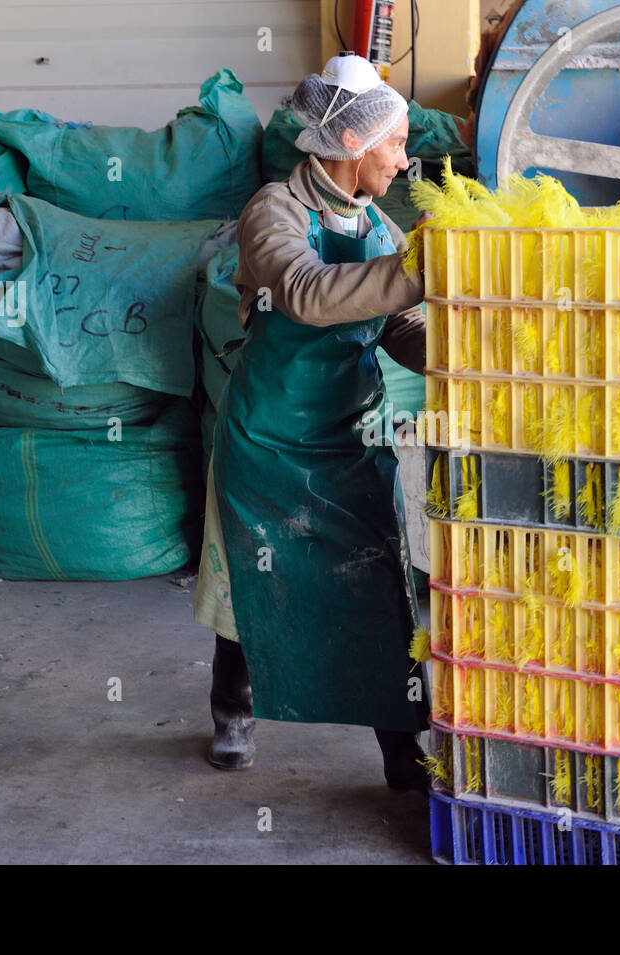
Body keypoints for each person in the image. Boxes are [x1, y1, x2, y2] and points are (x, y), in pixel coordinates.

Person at [191, 54, 430, 792]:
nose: (404, 158)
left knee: (380, 591)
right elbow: (304, 291)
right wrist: (428, 267)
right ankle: (234, 711)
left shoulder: (380, 226)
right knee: (251, 585)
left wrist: (476, 350)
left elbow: (400, 326)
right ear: (354, 147)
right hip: (269, 439)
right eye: (396, 143)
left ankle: (404, 745)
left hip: (349, 440)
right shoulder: (275, 210)